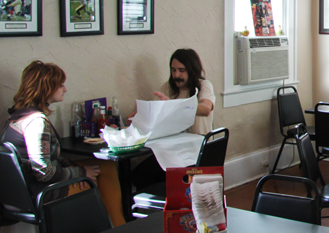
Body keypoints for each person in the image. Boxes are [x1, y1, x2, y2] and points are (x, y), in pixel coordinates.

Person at [1, 61, 125, 226]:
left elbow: (52, 158)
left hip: (25, 190)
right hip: (41, 193)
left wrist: (77, 169)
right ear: (46, 88)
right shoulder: (36, 122)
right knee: (92, 180)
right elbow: (44, 173)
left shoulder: (17, 116)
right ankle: (118, 226)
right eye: (60, 85)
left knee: (105, 166)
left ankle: (120, 225)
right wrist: (79, 172)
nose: (65, 89)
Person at [129, 48, 216, 190]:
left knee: (168, 178)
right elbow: (155, 112)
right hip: (172, 149)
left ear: (191, 70)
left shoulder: (204, 86)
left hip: (196, 150)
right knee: (138, 176)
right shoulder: (168, 87)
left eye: (181, 70)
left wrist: (174, 105)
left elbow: (205, 108)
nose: (176, 75)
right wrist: (139, 116)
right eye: (173, 70)